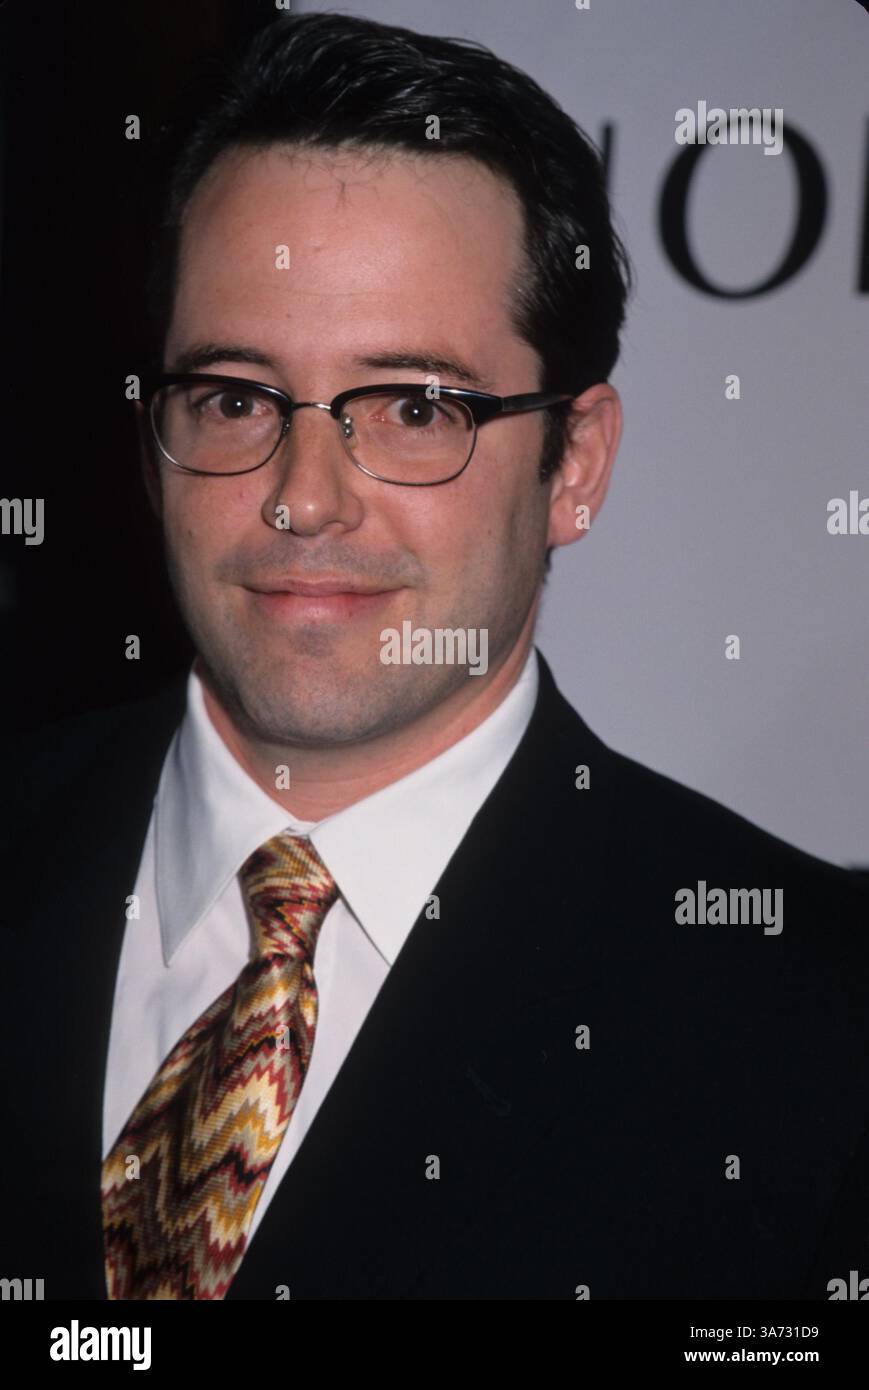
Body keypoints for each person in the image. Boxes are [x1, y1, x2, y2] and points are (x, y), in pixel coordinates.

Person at [3, 10, 868, 1302]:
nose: (305, 499)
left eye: (414, 407)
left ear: (571, 465)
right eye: (237, 397)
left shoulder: (820, 1025)